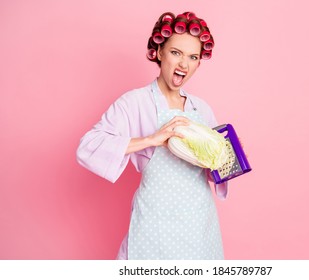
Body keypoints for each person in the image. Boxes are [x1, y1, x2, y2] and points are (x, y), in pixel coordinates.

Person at [76, 11, 228, 260]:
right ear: (159, 53)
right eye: (176, 53)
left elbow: (215, 172)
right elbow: (88, 146)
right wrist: (152, 139)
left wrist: (225, 158)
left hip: (200, 226)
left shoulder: (201, 109)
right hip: (155, 226)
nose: (184, 64)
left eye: (192, 57)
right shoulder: (134, 103)